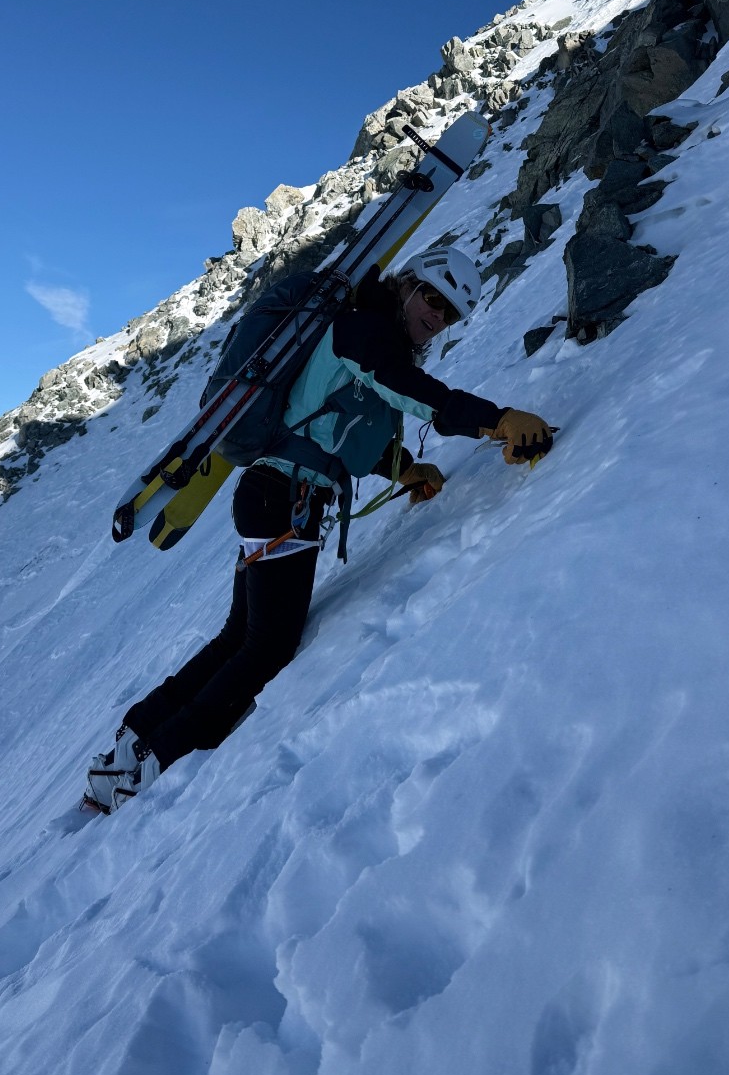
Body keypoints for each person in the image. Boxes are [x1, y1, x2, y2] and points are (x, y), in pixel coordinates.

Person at [85, 248, 555, 812]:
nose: (438, 316)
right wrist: (497, 420)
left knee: (242, 635)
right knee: (267, 646)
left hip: (276, 498)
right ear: (407, 285)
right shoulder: (363, 330)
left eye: (450, 313)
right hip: (285, 501)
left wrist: (402, 468)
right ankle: (156, 759)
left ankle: (136, 737)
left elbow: (341, 427)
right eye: (432, 298)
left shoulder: (371, 336)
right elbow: (417, 394)